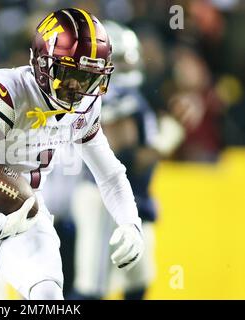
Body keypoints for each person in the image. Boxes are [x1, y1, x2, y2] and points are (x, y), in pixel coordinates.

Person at [0, 8, 144, 300]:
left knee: (47, 296)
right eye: (69, 73)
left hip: (25, 210)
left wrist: (130, 222)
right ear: (42, 62)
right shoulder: (5, 92)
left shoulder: (86, 105)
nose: (78, 89)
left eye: (88, 77)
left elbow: (109, 173)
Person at [70, 21, 185, 300]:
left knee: (139, 277)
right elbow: (123, 158)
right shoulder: (107, 99)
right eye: (121, 59)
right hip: (104, 198)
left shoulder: (126, 96)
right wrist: (166, 140)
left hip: (130, 198)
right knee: (91, 286)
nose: (129, 65)